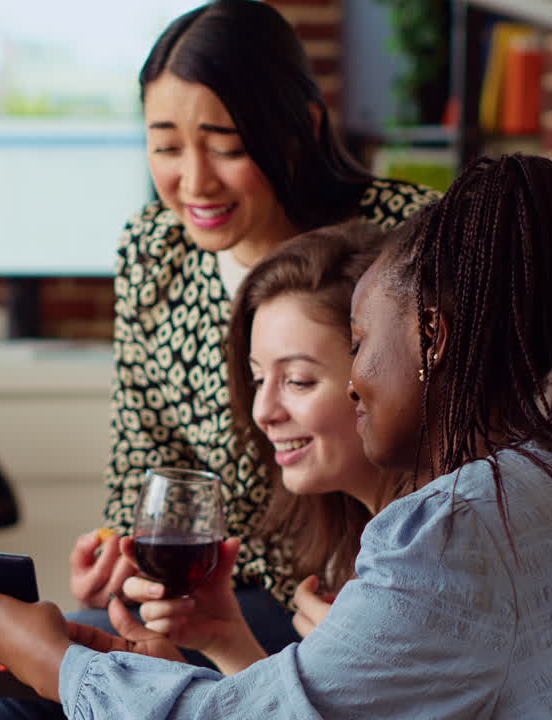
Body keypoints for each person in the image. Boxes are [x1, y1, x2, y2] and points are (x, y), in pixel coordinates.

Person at [0, 154, 552, 717]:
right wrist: (209, 655)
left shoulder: (454, 529)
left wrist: (58, 665)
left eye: (357, 345)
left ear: (431, 338)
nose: (356, 381)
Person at [0, 1, 436, 711]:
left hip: (358, 595)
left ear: (301, 127)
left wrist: (370, 600)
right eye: (166, 147)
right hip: (209, 597)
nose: (194, 181)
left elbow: (463, 447)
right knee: (1, 673)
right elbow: (144, 458)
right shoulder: (154, 249)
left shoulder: (406, 239)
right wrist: (119, 558)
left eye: (226, 146)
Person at [122, 220, 402, 665]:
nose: (262, 412)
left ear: (388, 376)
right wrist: (226, 641)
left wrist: (367, 668)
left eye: (298, 381)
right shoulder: (346, 548)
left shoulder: (432, 555)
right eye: (257, 379)